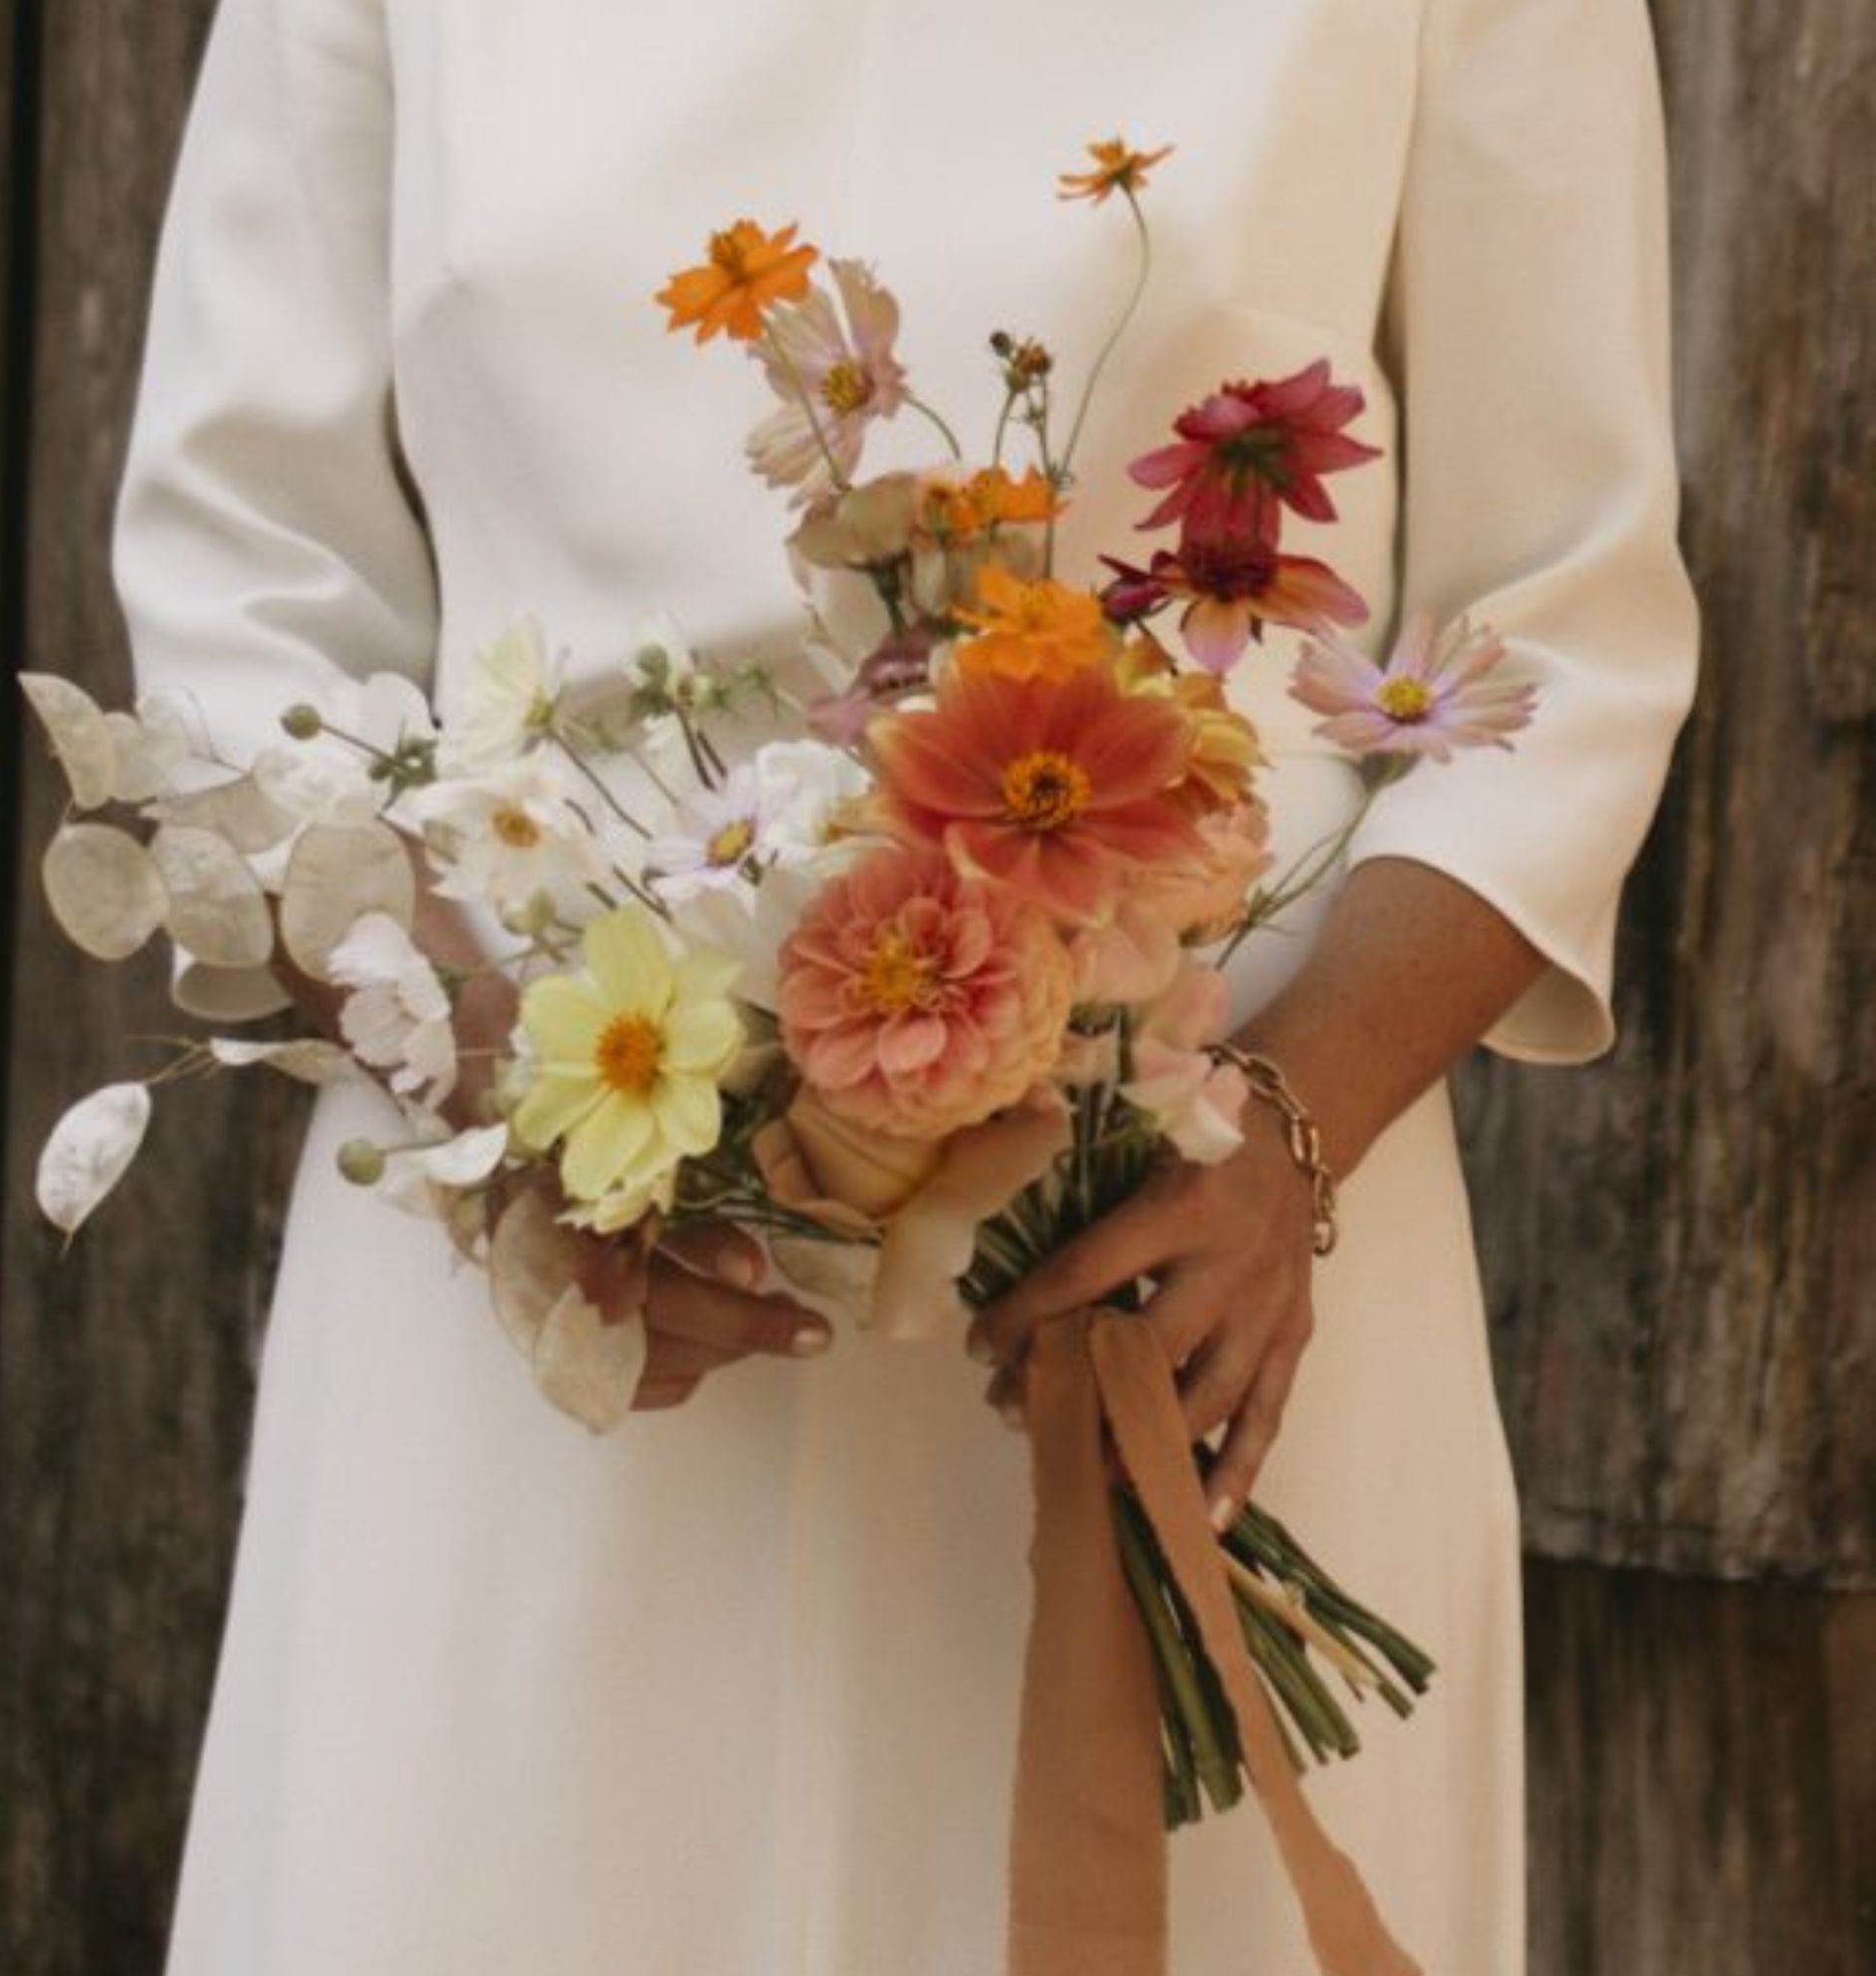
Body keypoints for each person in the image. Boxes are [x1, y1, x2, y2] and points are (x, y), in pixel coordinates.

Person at [112, 0, 1698, 1969]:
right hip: (557, 1303)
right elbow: (238, 593)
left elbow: (1564, 627)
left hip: (1188, 1298)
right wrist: (505, 1094)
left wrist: (1285, 1133)